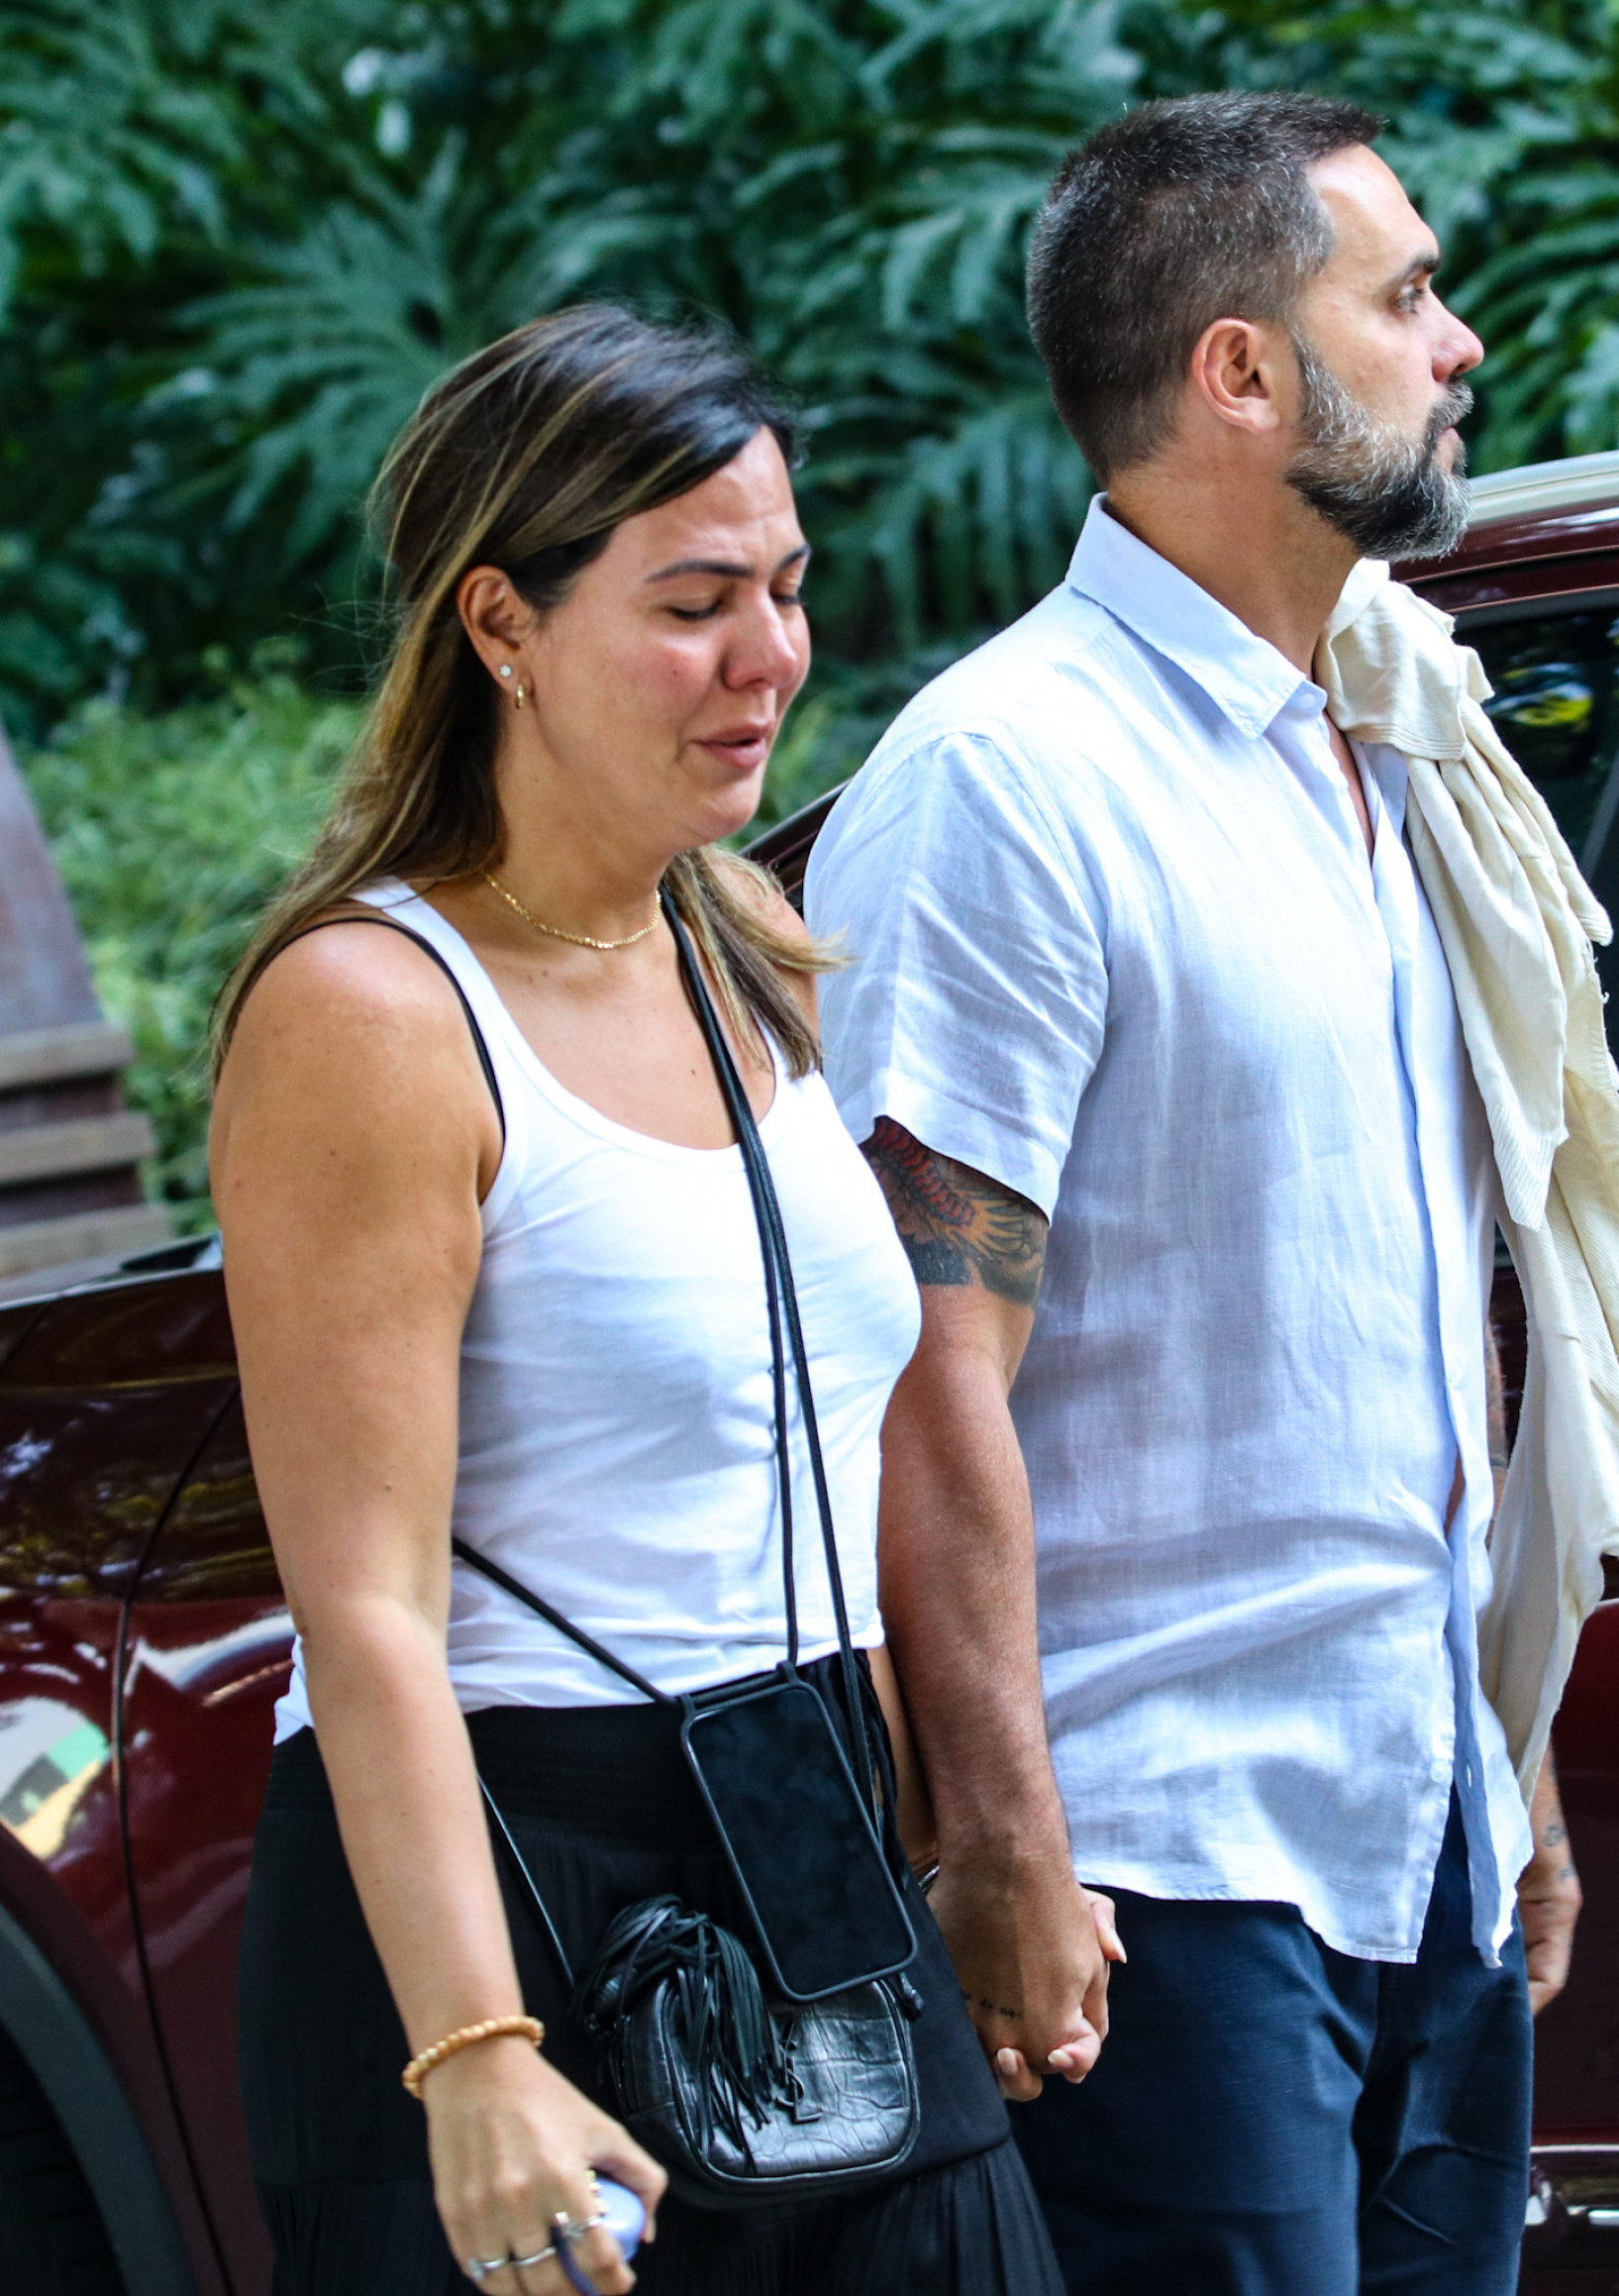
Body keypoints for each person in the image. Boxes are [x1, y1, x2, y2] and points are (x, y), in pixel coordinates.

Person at [804, 92, 1619, 2296]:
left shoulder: (1377, 749)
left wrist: (1508, 1749)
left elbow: (1391, 1329)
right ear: (1240, 373)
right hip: (1162, 1867)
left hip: (1415, 1829)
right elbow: (927, 1362)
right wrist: (999, 1838)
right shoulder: (1016, 781)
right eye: (1401, 295)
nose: (1457, 340)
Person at [213, 306, 1070, 2296]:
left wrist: (973, 1822)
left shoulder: (743, 934)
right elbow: (362, 1610)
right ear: (500, 623)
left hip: (808, 1829)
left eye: (783, 585)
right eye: (693, 604)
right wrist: (472, 2051)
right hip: (513, 1877)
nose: (771, 655)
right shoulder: (374, 1015)